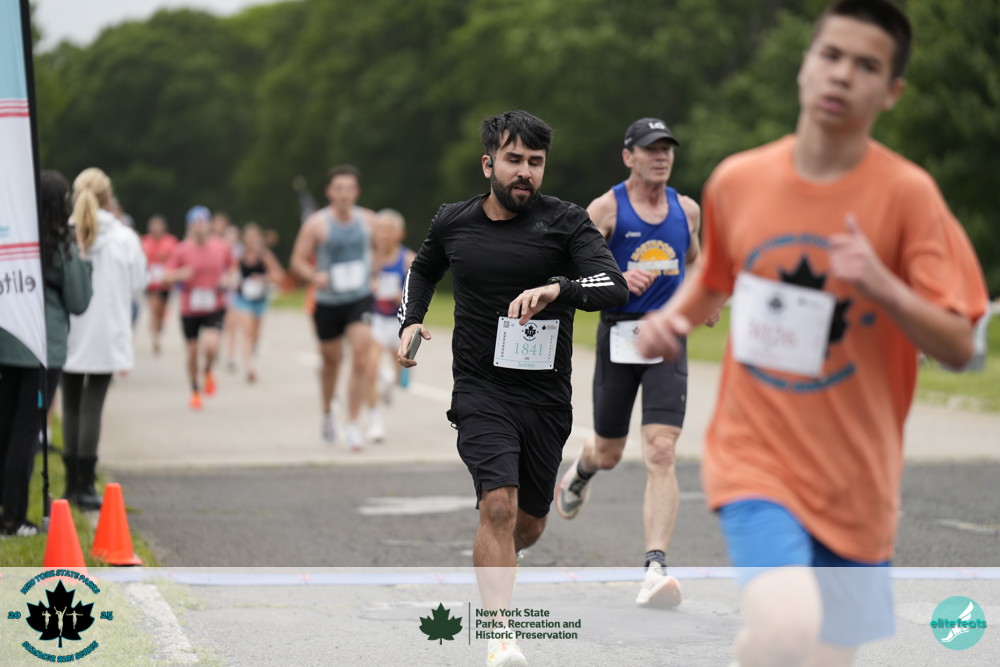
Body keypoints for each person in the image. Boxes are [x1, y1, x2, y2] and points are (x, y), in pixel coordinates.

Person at [635, 2, 989, 665]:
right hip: (758, 457)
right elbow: (715, 273)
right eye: (831, 55)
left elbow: (961, 344)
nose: (843, 75)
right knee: (787, 628)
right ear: (805, 64)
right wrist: (673, 319)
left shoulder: (907, 195)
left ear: (891, 91)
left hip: (858, 480)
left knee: (823, 655)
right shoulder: (739, 180)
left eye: (867, 66)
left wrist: (882, 285)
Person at [397, 110, 627, 666]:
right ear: (488, 164)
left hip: (544, 398)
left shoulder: (566, 222)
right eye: (514, 160)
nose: (525, 172)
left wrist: (557, 289)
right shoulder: (453, 221)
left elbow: (612, 285)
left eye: (535, 162)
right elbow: (423, 270)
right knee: (497, 505)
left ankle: (501, 558)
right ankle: (499, 636)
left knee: (529, 523)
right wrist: (410, 320)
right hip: (481, 390)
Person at [555, 117, 714, 609]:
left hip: (668, 338)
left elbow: (695, 261)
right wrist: (618, 277)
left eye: (667, 149)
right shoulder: (606, 209)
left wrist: (702, 299)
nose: (661, 156)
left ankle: (654, 568)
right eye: (650, 149)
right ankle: (582, 470)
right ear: (629, 157)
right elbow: (570, 270)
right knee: (609, 452)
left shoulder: (687, 210)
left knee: (661, 450)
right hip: (619, 337)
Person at [0, 170, 93, 535]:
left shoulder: (12, 238)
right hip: (42, 349)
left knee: (6, 427)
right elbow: (79, 301)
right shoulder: (61, 245)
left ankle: (8, 509)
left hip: (9, 341)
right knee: (27, 432)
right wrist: (83, 260)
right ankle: (14, 517)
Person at [63, 167, 147, 510]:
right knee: (92, 407)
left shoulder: (63, 234)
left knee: (70, 406)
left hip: (69, 331)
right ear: (108, 197)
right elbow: (138, 285)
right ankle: (86, 483)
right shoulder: (124, 238)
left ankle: (70, 484)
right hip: (106, 333)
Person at [290, 165, 377, 450]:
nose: (344, 194)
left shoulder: (368, 220)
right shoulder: (316, 224)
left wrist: (375, 274)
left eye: (349, 189)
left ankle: (352, 423)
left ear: (357, 192)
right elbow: (297, 261)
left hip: (359, 298)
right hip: (328, 302)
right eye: (338, 189)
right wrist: (314, 276)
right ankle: (328, 412)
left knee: (361, 358)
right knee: (331, 363)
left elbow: (383, 249)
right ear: (329, 192)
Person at [164, 206, 237, 410]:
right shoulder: (181, 250)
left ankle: (208, 370)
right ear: (189, 226)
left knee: (212, 346)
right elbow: (166, 276)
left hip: (215, 303)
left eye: (202, 222)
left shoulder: (221, 247)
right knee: (192, 352)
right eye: (195, 223)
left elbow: (232, 268)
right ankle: (195, 390)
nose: (199, 227)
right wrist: (180, 274)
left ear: (209, 224)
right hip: (190, 307)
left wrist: (228, 278)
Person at [365, 208, 415, 441]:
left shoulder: (408, 259)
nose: (383, 235)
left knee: (399, 374)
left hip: (399, 323)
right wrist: (369, 287)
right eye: (380, 230)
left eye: (388, 230)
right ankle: (375, 423)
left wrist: (402, 296)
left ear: (399, 234)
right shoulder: (369, 259)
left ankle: (392, 380)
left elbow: (421, 293)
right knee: (369, 369)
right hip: (374, 320)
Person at [231, 223, 285, 383]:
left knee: (255, 334)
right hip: (243, 299)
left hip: (260, 300)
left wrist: (263, 279)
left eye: (254, 237)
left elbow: (279, 275)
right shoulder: (240, 256)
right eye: (248, 237)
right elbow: (232, 273)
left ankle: (252, 354)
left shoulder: (265, 256)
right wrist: (233, 280)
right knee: (247, 331)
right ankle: (249, 367)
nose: (251, 240)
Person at [141, 215, 179, 355]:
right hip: (150, 281)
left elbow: (176, 260)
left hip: (164, 282)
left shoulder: (171, 241)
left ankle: (158, 327)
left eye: (158, 225)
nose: (156, 228)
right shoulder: (144, 241)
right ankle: (155, 338)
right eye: (154, 225)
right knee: (154, 307)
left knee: (161, 310)